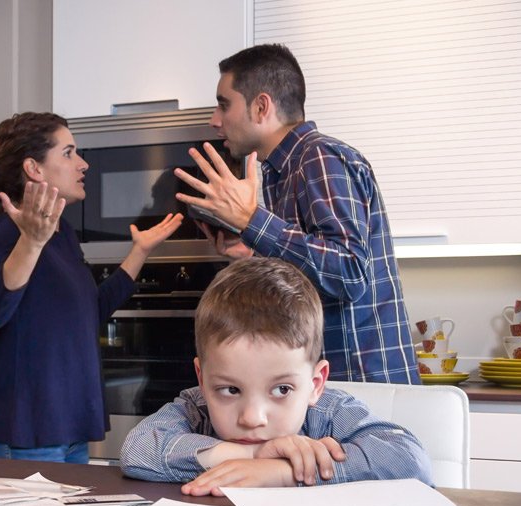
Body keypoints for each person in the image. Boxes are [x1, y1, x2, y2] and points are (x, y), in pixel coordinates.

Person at [174, 44, 419, 384]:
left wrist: (251, 221)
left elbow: (348, 272)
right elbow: (314, 276)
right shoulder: (279, 172)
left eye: (223, 104)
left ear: (261, 106)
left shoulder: (318, 157)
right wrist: (253, 253)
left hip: (364, 387)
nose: (214, 120)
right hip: (332, 387)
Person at [0, 112, 183, 464]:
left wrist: (140, 252)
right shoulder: (10, 231)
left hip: (68, 432)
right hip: (26, 435)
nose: (82, 164)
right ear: (35, 168)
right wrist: (31, 243)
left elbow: (90, 312)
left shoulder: (63, 236)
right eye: (68, 153)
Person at [120, 258, 433, 495]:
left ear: (315, 384)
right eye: (230, 390)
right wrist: (252, 454)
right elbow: (136, 451)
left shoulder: (329, 412)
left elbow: (410, 460)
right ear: (202, 378)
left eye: (282, 389)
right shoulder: (195, 406)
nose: (252, 418)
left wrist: (283, 472)